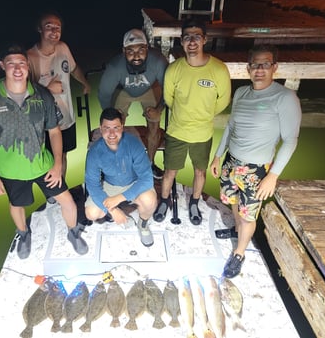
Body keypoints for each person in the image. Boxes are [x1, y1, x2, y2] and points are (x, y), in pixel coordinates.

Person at [0, 44, 88, 259]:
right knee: (17, 205)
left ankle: (73, 233)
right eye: (11, 64)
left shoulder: (42, 95)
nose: (17, 68)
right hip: (9, 170)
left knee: (68, 201)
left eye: (22, 63)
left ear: (28, 66)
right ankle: (23, 233)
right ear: (2, 66)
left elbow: (54, 132)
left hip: (42, 164)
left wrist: (57, 165)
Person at [210, 44, 302, 278]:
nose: (259, 69)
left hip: (256, 169)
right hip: (231, 162)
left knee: (249, 214)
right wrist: (218, 155)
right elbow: (230, 126)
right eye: (255, 64)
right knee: (232, 201)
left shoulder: (285, 97)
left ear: (274, 67)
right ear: (248, 68)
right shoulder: (241, 92)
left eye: (265, 64)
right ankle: (236, 230)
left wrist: (273, 175)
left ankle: (239, 253)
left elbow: (290, 140)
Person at [153, 19, 231, 225]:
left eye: (197, 36)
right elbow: (169, 99)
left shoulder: (219, 69)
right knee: (170, 170)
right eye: (187, 37)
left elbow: (223, 101)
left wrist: (203, 114)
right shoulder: (174, 69)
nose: (192, 41)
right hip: (177, 131)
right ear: (182, 41)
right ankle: (163, 200)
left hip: (203, 133)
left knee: (199, 171)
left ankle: (194, 202)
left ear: (205, 39)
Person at [27, 10, 91, 179]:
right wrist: (48, 89)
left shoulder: (63, 48)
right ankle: (52, 197)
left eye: (58, 27)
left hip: (66, 116)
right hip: (45, 122)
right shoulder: (30, 57)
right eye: (49, 27)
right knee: (47, 159)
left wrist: (85, 83)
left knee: (62, 156)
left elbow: (74, 68)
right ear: (39, 29)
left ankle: (62, 189)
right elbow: (26, 97)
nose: (54, 31)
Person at [98, 28, 168, 179]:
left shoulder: (158, 60)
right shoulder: (115, 66)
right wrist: (112, 117)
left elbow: (168, 89)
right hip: (123, 89)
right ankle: (116, 162)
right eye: (130, 51)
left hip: (150, 87)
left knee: (154, 121)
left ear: (147, 48)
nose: (136, 55)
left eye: (141, 50)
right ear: (123, 51)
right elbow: (104, 94)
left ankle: (150, 163)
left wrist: (159, 109)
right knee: (114, 125)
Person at [84, 108, 157, 247]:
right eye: (107, 128)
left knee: (150, 201)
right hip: (110, 185)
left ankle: (143, 224)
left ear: (122, 127)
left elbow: (147, 179)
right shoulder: (94, 151)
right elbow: (92, 185)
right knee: (91, 213)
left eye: (116, 128)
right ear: (101, 128)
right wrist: (112, 210)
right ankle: (117, 215)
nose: (111, 134)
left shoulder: (134, 143)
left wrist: (120, 197)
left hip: (133, 182)